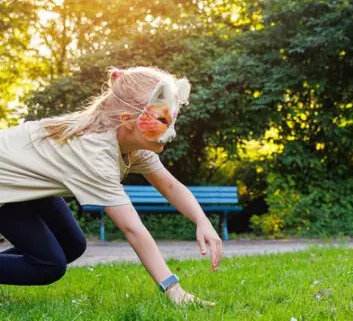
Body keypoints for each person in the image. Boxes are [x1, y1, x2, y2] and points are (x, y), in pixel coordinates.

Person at [0, 66, 223, 305]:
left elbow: (170, 186)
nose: (171, 131)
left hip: (29, 183)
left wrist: (202, 221)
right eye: (161, 120)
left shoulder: (133, 145)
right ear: (127, 119)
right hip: (6, 185)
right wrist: (174, 290)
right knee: (49, 266)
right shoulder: (97, 154)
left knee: (72, 245)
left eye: (172, 119)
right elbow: (133, 231)